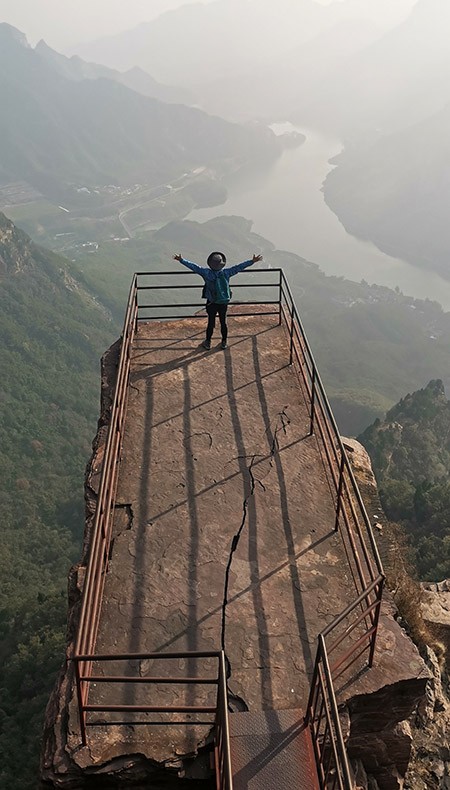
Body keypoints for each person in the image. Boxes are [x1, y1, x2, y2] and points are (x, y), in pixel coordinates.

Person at [173, 251, 263, 349]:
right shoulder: (226, 273)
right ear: (221, 264)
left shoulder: (206, 273)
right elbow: (239, 267)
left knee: (211, 322)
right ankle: (224, 342)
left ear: (210, 264)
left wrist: (181, 260)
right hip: (223, 301)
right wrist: (252, 261)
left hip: (212, 302)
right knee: (223, 322)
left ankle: (208, 342)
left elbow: (194, 267)